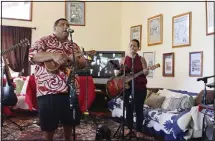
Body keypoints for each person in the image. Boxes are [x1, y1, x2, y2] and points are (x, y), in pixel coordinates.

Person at [29, 18, 86, 140]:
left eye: (67, 25)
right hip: (48, 90)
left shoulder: (74, 46)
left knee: (69, 121)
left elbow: (82, 64)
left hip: (71, 90)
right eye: (62, 25)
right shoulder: (44, 41)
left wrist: (78, 61)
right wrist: (53, 55)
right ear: (54, 28)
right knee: (48, 125)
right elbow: (33, 56)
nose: (65, 27)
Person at [119, 39, 148, 138]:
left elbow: (146, 72)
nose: (132, 47)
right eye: (131, 45)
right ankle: (129, 129)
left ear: (138, 48)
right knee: (129, 109)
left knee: (139, 109)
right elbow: (120, 74)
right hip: (127, 88)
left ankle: (139, 130)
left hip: (140, 88)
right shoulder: (123, 59)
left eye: (135, 46)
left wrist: (145, 71)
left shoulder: (141, 59)